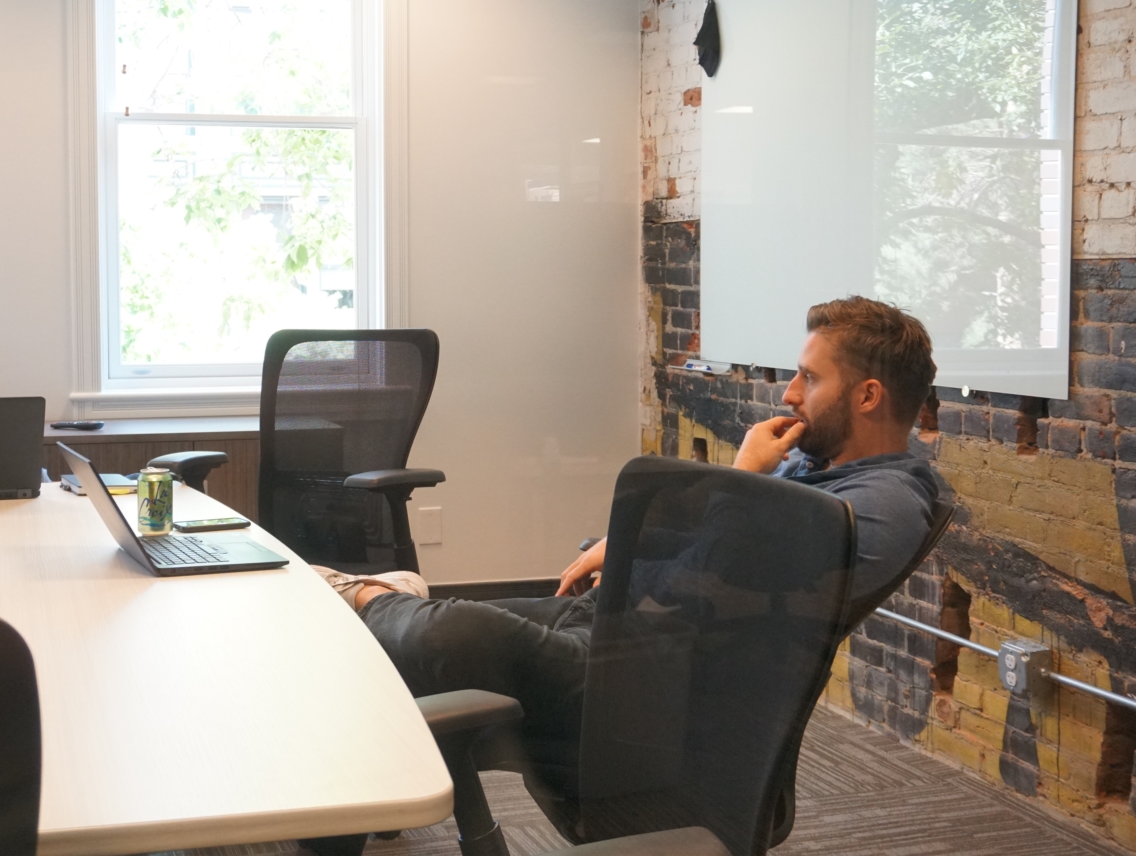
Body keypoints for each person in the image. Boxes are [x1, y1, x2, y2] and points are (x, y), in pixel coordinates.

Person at [313, 295, 946, 747]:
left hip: (650, 682)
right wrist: (621, 546)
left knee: (455, 633)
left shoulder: (881, 507)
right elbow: (715, 540)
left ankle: (366, 595)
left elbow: (729, 571)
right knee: (407, 647)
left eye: (809, 379)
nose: (788, 395)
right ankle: (376, 625)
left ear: (867, 396)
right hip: (625, 626)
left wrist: (744, 476)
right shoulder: (819, 471)